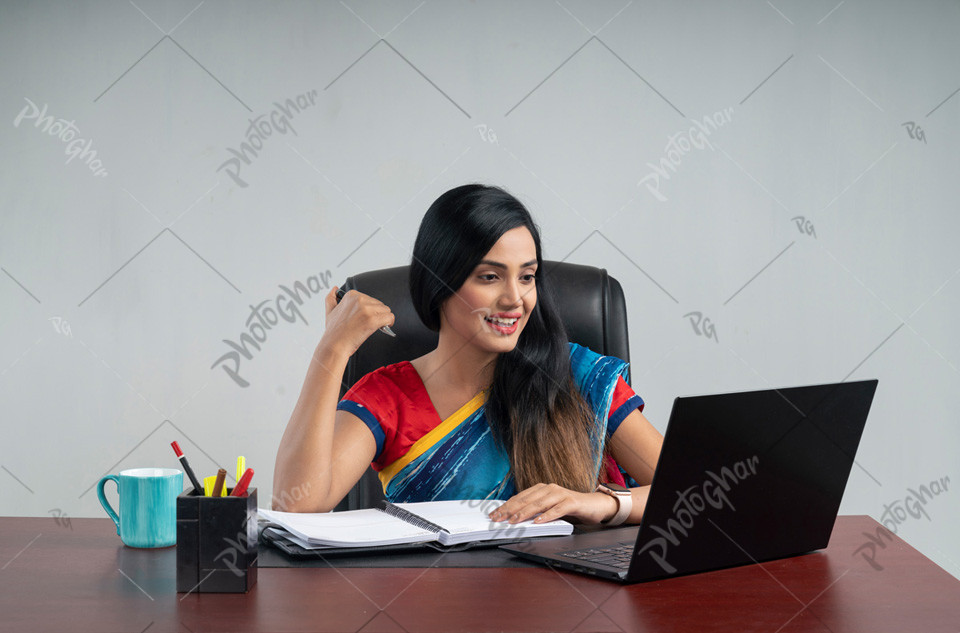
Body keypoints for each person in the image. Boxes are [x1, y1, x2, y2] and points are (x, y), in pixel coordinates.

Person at [273, 184, 663, 525]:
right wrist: (332, 349)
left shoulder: (578, 374)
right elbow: (296, 506)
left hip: (571, 599)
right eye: (489, 277)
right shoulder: (388, 397)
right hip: (441, 604)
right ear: (438, 282)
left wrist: (601, 504)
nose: (515, 299)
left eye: (527, 277)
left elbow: (690, 492)